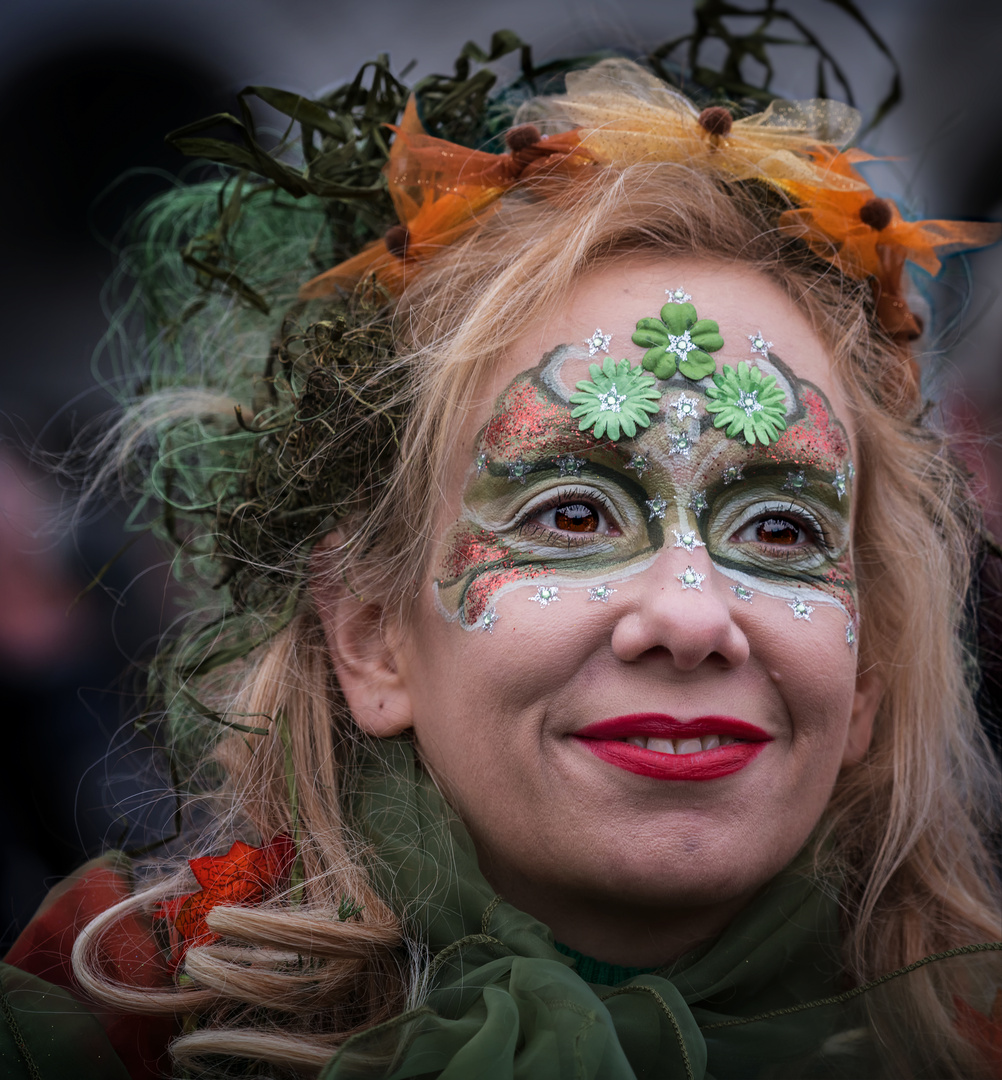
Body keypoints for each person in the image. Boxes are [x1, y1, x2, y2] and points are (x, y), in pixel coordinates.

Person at [1, 28, 1000, 1080]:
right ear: (372, 637)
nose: (695, 617)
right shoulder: (124, 1026)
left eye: (783, 529)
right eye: (572, 516)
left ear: (872, 672)